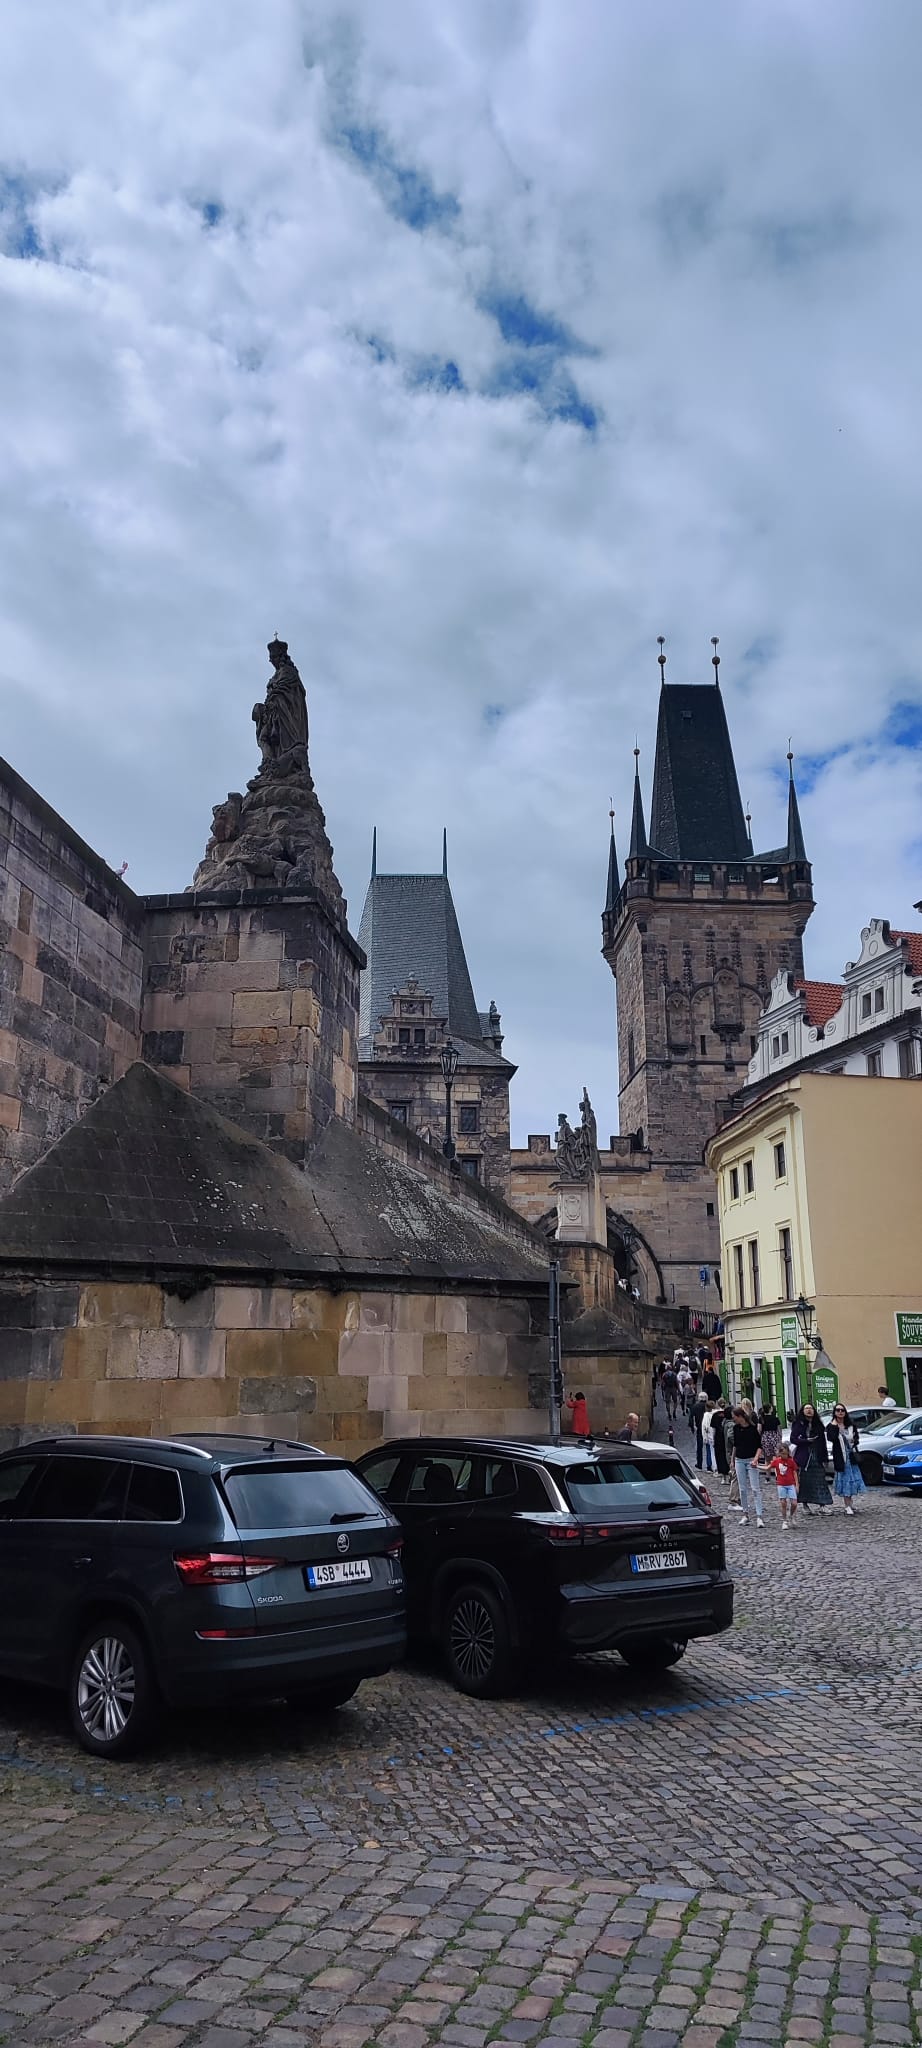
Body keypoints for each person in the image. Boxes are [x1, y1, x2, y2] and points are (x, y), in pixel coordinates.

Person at [791, 1402, 832, 1513]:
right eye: (806, 1408)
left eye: (811, 1408)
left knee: (820, 1480)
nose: (809, 1410)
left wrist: (825, 1458)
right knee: (805, 1481)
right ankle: (805, 1505)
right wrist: (805, 1441)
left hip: (816, 1454)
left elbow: (823, 1442)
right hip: (804, 1455)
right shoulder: (798, 1424)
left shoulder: (818, 1424)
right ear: (803, 1411)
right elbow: (793, 1439)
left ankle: (823, 1504)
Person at [827, 1404, 867, 1516]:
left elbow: (856, 1438)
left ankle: (850, 1502)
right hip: (841, 1457)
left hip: (851, 1456)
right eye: (838, 1410)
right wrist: (835, 1426)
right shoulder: (831, 1426)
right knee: (845, 1480)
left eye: (842, 1410)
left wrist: (854, 1441)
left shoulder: (851, 1425)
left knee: (852, 1479)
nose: (840, 1412)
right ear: (834, 1412)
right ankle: (847, 1505)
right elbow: (831, 1438)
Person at [731, 1405, 764, 1527]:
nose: (733, 1419)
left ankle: (759, 1516)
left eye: (734, 1417)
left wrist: (756, 1459)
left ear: (740, 1417)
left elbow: (759, 1446)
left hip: (751, 1460)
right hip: (739, 1460)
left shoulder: (752, 1429)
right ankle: (745, 1515)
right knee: (742, 1489)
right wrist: (732, 1460)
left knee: (755, 1488)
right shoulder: (735, 1428)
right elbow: (735, 1445)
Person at [767, 1439, 799, 1528]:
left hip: (790, 1484)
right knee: (783, 1503)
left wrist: (797, 1484)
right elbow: (768, 1468)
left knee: (794, 1503)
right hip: (781, 1484)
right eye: (783, 1454)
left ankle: (791, 1515)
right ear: (780, 1454)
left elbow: (794, 1472)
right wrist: (757, 1466)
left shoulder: (791, 1461)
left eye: (786, 1453)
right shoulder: (777, 1461)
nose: (785, 1456)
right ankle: (784, 1520)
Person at [710, 1398, 730, 1483]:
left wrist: (713, 1439)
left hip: (718, 1438)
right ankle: (729, 1475)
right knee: (728, 1455)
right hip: (727, 1437)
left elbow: (713, 1429)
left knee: (720, 1456)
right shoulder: (728, 1413)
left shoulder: (715, 1415)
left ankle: (723, 1477)